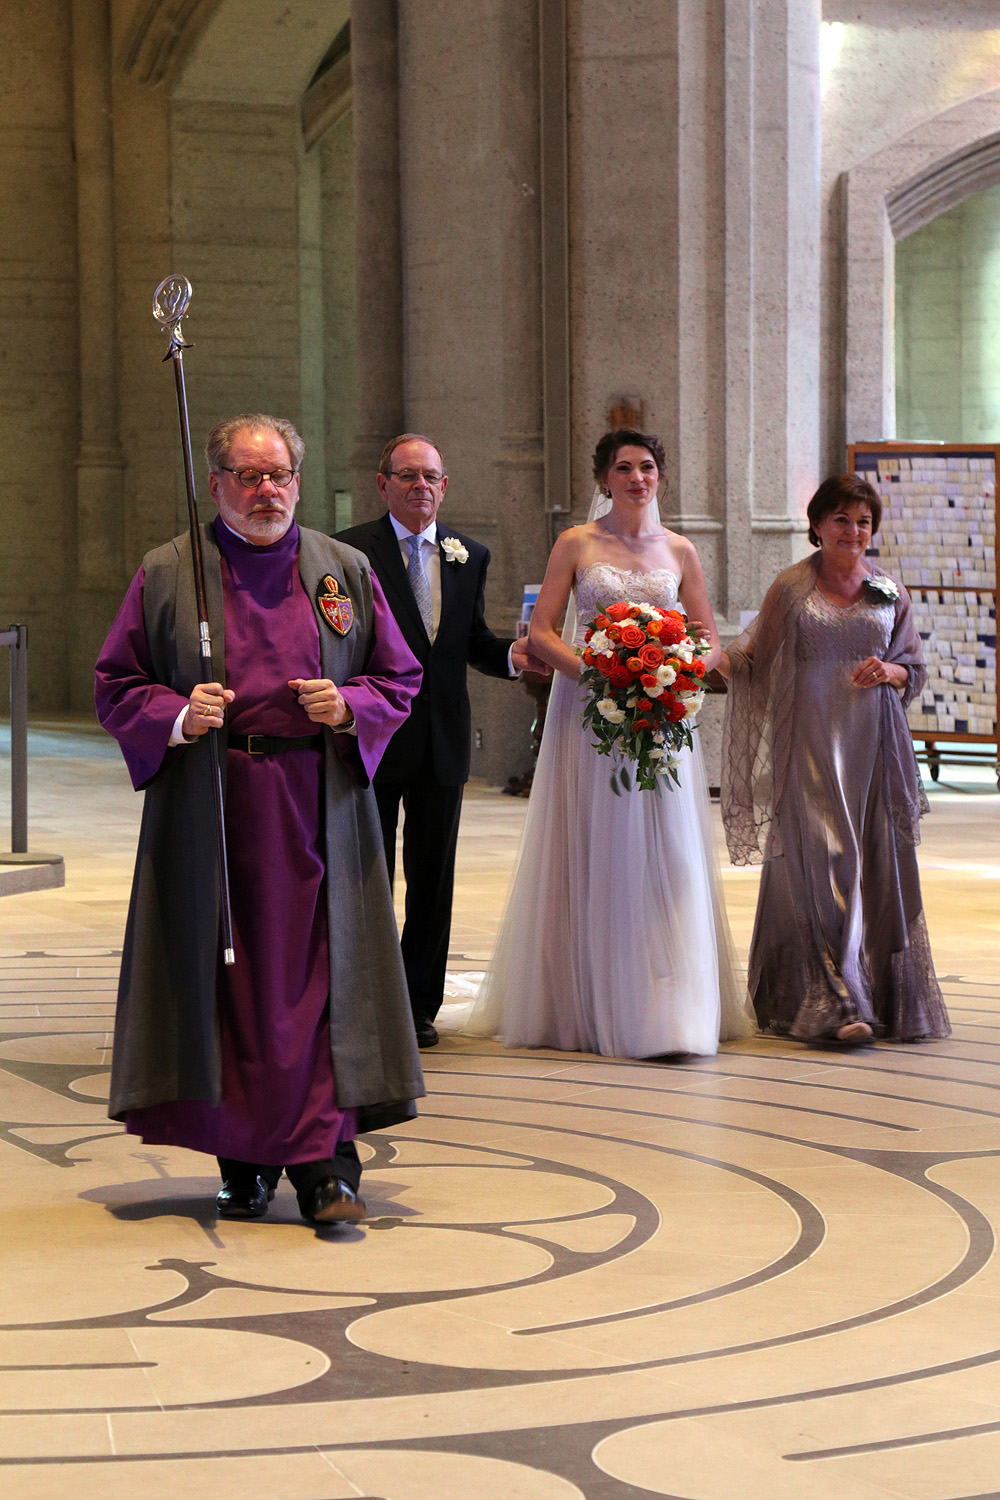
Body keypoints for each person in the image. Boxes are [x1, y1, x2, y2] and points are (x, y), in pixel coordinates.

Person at [96, 413, 425, 1226]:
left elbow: (398, 677)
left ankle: (325, 1171)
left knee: (321, 986)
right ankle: (241, 1166)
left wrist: (345, 704)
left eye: (278, 475)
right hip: (214, 813)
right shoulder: (171, 573)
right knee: (230, 992)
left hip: (318, 813)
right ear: (215, 484)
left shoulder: (340, 571)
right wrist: (177, 712)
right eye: (248, 476)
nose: (266, 490)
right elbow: (116, 684)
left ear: (298, 482)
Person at [465, 428, 754, 1057]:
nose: (637, 478)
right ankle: (586, 1004)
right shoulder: (576, 543)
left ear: (660, 477)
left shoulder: (680, 550)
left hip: (659, 717)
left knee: (668, 857)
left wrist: (675, 671)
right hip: (591, 712)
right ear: (604, 479)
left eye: (647, 467)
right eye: (623, 468)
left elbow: (707, 639)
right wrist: (603, 676)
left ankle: (670, 1007)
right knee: (595, 847)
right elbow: (541, 632)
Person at [719, 473, 950, 1045]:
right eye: (841, 519)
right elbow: (753, 655)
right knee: (823, 870)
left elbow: (912, 668)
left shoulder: (888, 590)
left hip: (875, 752)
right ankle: (835, 1002)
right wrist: (694, 660)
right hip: (811, 750)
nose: (853, 531)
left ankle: (874, 996)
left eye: (863, 521)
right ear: (817, 525)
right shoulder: (792, 588)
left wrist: (890, 671)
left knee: (875, 869)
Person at [337, 435, 545, 1049]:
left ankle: (418, 1006)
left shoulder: (468, 555)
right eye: (406, 475)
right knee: (368, 874)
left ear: (445, 485)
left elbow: (469, 638)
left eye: (431, 475)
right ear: (383, 485)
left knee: (433, 879)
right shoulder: (350, 552)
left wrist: (512, 654)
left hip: (441, 740)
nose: (420, 485)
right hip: (372, 737)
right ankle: (361, 998)